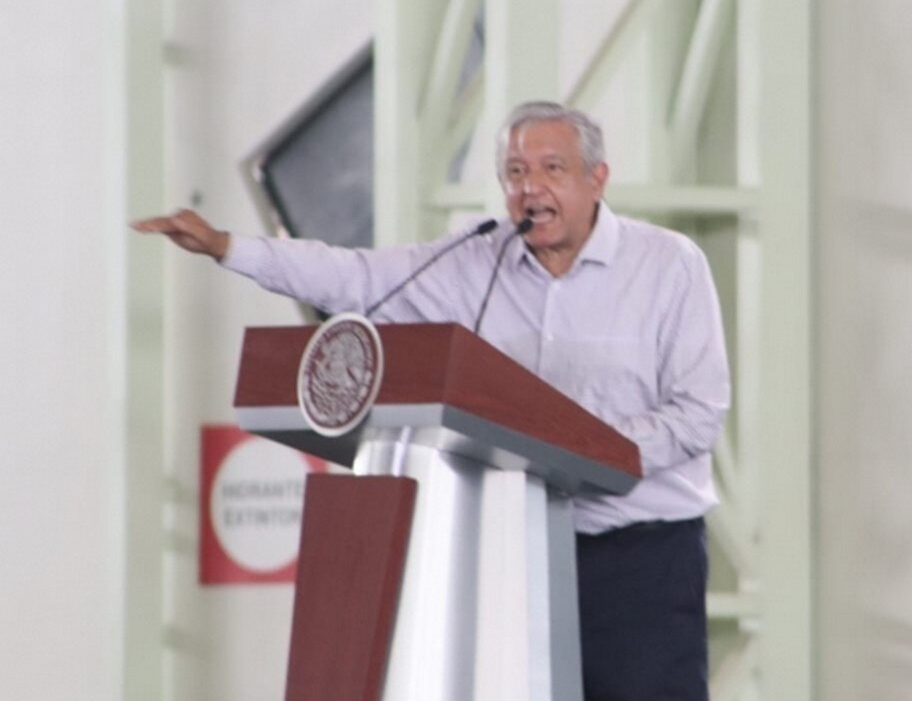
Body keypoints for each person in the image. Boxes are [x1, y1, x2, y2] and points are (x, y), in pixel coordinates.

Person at [133, 100, 731, 701]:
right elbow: (355, 279)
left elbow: (699, 412)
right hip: (513, 552)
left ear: (597, 179)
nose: (532, 189)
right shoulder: (473, 261)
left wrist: (595, 453)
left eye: (552, 169)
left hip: (639, 558)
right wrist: (227, 247)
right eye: (516, 173)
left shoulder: (667, 266)